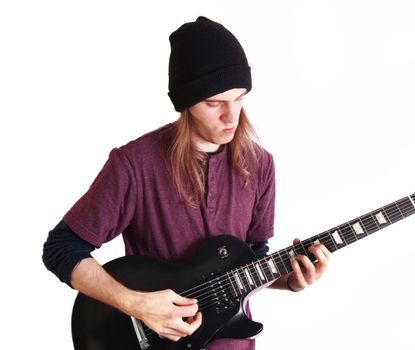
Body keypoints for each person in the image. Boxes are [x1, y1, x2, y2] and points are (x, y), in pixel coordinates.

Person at [42, 16, 331, 350]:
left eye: (239, 98)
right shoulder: (135, 164)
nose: (231, 117)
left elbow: (252, 261)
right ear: (186, 103)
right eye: (214, 103)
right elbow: (62, 248)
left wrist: (291, 279)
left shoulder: (260, 164)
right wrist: (135, 303)